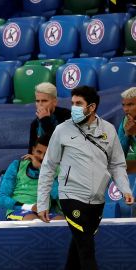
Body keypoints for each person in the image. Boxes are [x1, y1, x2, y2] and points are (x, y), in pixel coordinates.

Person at [37, 86, 135, 270]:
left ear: (91, 107)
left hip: (97, 199)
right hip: (71, 196)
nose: (73, 107)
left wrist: (125, 189)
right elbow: (48, 166)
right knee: (87, 249)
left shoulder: (109, 130)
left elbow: (117, 165)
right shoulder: (61, 130)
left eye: (78, 104)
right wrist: (42, 202)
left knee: (78, 248)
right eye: (72, 103)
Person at [0, 136, 63, 221]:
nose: (42, 157)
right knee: (33, 221)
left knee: (63, 223)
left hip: (44, 213)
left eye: (47, 154)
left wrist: (42, 169)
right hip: (19, 211)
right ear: (33, 150)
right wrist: (30, 207)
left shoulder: (57, 170)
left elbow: (57, 196)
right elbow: (2, 199)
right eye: (39, 152)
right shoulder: (16, 166)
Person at [28, 82, 71, 153]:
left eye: (44, 101)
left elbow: (60, 144)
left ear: (55, 102)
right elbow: (31, 151)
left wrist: (45, 120)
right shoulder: (35, 124)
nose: (40, 105)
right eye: (37, 101)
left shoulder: (67, 116)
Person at [118, 86, 136, 172]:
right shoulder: (125, 122)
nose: (125, 109)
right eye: (123, 105)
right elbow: (119, 156)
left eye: (130, 104)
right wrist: (127, 134)